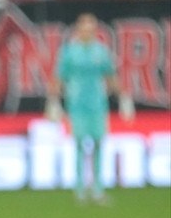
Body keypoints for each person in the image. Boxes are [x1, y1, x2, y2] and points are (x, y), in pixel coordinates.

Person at [52, 13, 129, 204]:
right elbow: (59, 77)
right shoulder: (69, 51)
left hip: (97, 103)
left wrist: (123, 98)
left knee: (98, 143)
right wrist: (53, 101)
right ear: (78, 30)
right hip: (76, 104)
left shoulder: (101, 51)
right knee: (78, 144)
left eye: (91, 29)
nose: (88, 32)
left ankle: (97, 187)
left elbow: (110, 76)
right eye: (84, 28)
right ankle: (79, 187)